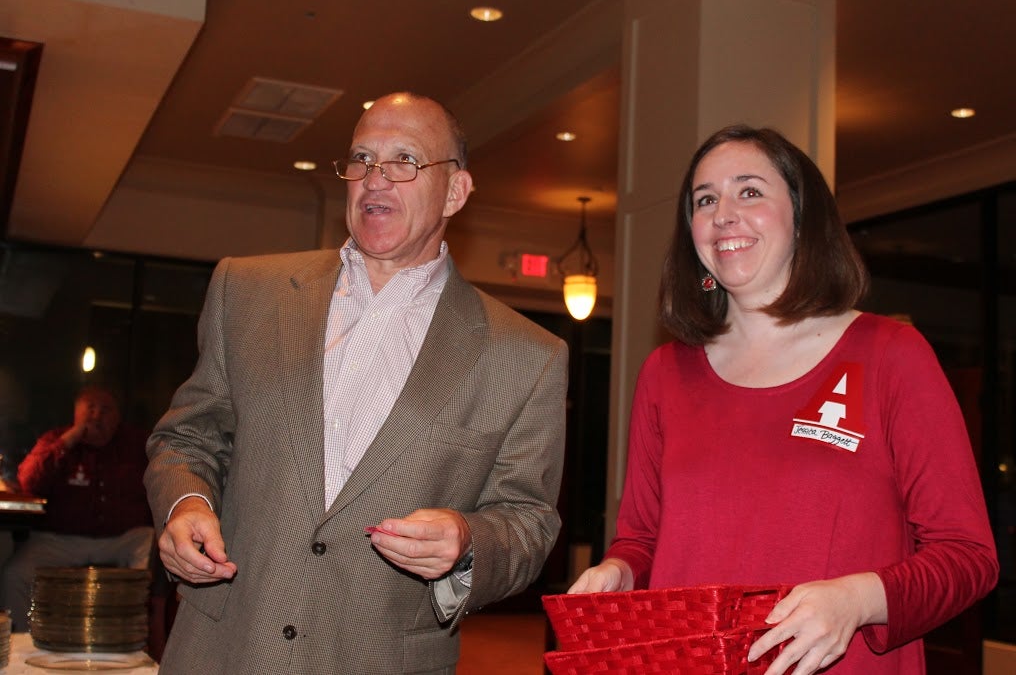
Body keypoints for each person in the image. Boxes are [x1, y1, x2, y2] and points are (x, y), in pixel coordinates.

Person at [144, 91, 568, 674]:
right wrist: (185, 504)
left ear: (455, 191)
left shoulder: (526, 355)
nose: (375, 179)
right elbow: (186, 440)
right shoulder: (246, 292)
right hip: (225, 650)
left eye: (404, 161)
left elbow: (527, 520)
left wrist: (468, 539)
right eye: (362, 159)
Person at [568, 125, 998, 674]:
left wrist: (858, 600)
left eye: (749, 191)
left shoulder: (890, 355)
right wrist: (619, 571)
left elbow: (968, 557)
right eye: (705, 199)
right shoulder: (665, 373)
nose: (723, 213)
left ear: (803, 217)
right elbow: (642, 540)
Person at [0, 385, 154, 632]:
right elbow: (29, 481)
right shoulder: (56, 440)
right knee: (15, 574)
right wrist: (68, 441)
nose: (97, 416)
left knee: (150, 546)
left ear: (118, 416)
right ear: (76, 413)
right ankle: (20, 643)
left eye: (105, 409)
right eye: (90, 408)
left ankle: (136, 637)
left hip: (123, 538)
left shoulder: (137, 445)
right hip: (58, 540)